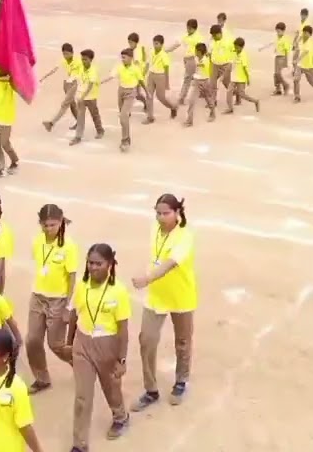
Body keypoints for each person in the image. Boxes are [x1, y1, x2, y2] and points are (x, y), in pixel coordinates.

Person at [130, 194, 198, 410]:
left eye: (165, 213)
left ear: (177, 213)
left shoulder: (185, 236)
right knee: (146, 341)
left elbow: (169, 263)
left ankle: (181, 381)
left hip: (181, 297)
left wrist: (147, 278)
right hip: (156, 296)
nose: (160, 217)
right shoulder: (154, 229)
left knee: (183, 342)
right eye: (157, 213)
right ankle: (151, 390)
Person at [66, 244, 132, 449]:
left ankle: (120, 416)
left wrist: (121, 359)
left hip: (108, 346)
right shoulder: (81, 285)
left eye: (98, 263)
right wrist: (70, 343)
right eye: (90, 262)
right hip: (82, 344)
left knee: (111, 388)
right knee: (82, 397)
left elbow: (122, 329)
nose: (93, 267)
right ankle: (80, 444)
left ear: (109, 265)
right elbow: (74, 315)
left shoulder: (118, 291)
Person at [26, 204, 78, 393]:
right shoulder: (37, 241)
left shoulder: (69, 246)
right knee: (32, 340)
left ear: (61, 222)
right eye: (45, 225)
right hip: (38, 296)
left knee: (55, 344)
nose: (49, 229)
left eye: (53, 225)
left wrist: (68, 307)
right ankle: (41, 378)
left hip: (58, 300)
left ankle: (79, 361)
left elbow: (72, 277)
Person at [102, 48, 142, 152]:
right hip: (121, 92)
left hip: (130, 92)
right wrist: (101, 82)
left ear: (130, 58)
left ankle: (125, 140)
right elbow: (111, 76)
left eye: (124, 57)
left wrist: (147, 93)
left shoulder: (136, 69)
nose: (122, 59)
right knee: (123, 117)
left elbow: (141, 81)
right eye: (122, 57)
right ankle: (127, 136)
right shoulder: (119, 67)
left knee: (123, 116)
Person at [40, 43, 81, 133]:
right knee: (72, 105)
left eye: (67, 54)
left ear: (72, 53)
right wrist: (44, 77)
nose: (65, 56)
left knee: (65, 104)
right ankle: (80, 122)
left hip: (74, 84)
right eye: (64, 54)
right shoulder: (63, 61)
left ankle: (51, 123)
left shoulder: (78, 61)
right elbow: (54, 69)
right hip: (66, 84)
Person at [70, 49, 104, 146]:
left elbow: (90, 86)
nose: (83, 61)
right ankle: (78, 136)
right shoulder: (81, 67)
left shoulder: (93, 71)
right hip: (81, 97)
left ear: (90, 60)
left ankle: (100, 130)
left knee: (95, 115)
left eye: (85, 59)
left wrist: (83, 96)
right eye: (82, 59)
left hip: (91, 97)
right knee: (80, 117)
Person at [142, 34, 178, 123]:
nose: (155, 45)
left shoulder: (164, 55)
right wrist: (143, 74)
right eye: (154, 43)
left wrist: (167, 82)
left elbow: (166, 69)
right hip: (151, 75)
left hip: (160, 76)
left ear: (162, 45)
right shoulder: (151, 52)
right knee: (149, 95)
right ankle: (150, 117)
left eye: (157, 44)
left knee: (161, 97)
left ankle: (173, 107)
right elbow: (147, 63)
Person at [183, 43, 216, 127]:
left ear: (200, 52)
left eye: (196, 51)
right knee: (191, 100)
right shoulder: (196, 58)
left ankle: (212, 113)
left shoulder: (206, 60)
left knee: (209, 100)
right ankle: (189, 121)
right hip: (197, 82)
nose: (195, 52)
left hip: (205, 82)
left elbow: (205, 70)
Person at [225, 37, 261, 113]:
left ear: (242, 47)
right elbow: (231, 63)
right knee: (229, 91)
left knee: (242, 94)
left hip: (241, 78)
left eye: (237, 47)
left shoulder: (244, 55)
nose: (236, 49)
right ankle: (230, 108)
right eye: (235, 47)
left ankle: (255, 101)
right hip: (233, 77)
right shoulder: (234, 53)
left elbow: (245, 69)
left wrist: (248, 79)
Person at [292, 25, 313, 102]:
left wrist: (297, 59)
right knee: (296, 80)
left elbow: (305, 52)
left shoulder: (309, 43)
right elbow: (294, 45)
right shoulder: (301, 40)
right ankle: (297, 97)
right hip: (300, 65)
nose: (304, 34)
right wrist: (296, 36)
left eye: (306, 33)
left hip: (308, 66)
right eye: (304, 32)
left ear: (310, 35)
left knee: (312, 82)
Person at [175, 19, 203, 105]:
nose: (188, 30)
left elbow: (201, 50)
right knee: (194, 79)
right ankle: (203, 93)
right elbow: (178, 44)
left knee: (187, 79)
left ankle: (182, 97)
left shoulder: (198, 38)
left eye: (190, 28)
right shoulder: (187, 36)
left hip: (193, 59)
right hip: (187, 60)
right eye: (187, 28)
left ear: (194, 29)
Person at [260, 22, 291, 96]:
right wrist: (262, 48)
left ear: (283, 31)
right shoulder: (277, 37)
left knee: (279, 74)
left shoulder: (285, 39)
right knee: (276, 74)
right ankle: (278, 89)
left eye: (279, 31)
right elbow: (273, 44)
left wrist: (286, 61)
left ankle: (285, 86)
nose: (278, 32)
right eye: (277, 31)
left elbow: (287, 51)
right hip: (277, 57)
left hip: (282, 58)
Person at [208, 24, 235, 97]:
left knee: (227, 84)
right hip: (215, 65)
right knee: (212, 83)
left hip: (225, 65)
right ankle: (213, 101)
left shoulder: (228, 41)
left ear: (219, 34)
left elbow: (234, 53)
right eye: (212, 36)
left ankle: (238, 94)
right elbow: (209, 52)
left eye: (214, 36)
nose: (213, 37)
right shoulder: (212, 41)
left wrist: (231, 65)